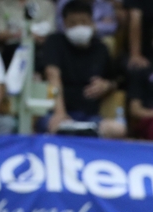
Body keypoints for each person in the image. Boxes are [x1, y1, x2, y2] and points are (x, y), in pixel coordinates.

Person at [44, 0, 125, 138]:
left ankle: (83, 133)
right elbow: (52, 75)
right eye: (73, 23)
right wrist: (60, 113)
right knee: (55, 127)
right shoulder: (55, 42)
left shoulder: (101, 48)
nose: (79, 27)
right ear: (64, 24)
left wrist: (107, 85)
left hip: (91, 118)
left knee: (118, 129)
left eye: (83, 22)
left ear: (92, 23)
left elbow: (117, 78)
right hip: (59, 114)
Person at [0, 0, 55, 68]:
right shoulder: (1, 5)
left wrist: (32, 35)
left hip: (39, 49)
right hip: (12, 49)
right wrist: (20, 33)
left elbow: (51, 34)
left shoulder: (46, 4)